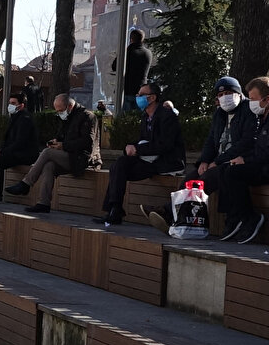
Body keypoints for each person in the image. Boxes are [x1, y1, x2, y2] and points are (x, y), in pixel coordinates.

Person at [198, 76, 269, 244]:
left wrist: (245, 160)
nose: (250, 103)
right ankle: (233, 218)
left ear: (267, 99)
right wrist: (242, 159)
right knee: (225, 169)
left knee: (234, 173)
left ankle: (249, 217)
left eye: (253, 99)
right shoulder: (266, 117)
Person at [144, 76, 253, 233]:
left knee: (203, 181)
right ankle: (172, 215)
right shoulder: (219, 114)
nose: (224, 98)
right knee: (189, 180)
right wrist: (204, 161)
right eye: (220, 95)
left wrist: (219, 161)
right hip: (216, 162)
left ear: (238, 93)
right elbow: (210, 141)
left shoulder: (248, 111)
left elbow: (245, 143)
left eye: (228, 93)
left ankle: (169, 214)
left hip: (232, 163)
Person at [95, 82, 186, 225]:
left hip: (165, 162)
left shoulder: (167, 116)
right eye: (138, 95)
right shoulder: (145, 116)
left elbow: (165, 145)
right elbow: (145, 140)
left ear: (152, 98)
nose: (138, 98)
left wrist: (138, 149)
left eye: (141, 95)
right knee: (118, 165)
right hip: (149, 159)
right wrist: (130, 147)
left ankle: (115, 210)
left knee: (120, 167)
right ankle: (114, 208)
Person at [5, 94, 101, 213]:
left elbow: (87, 143)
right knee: (48, 166)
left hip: (84, 158)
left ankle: (26, 184)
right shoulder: (68, 117)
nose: (59, 113)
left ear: (70, 106)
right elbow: (63, 137)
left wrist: (63, 145)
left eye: (61, 110)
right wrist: (56, 142)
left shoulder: (88, 117)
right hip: (70, 156)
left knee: (47, 153)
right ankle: (43, 203)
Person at [114, 29, 153, 112]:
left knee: (124, 120)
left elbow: (114, 66)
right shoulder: (148, 53)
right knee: (140, 119)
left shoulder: (127, 52)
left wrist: (126, 49)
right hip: (141, 91)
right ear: (142, 39)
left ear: (131, 39)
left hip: (126, 90)